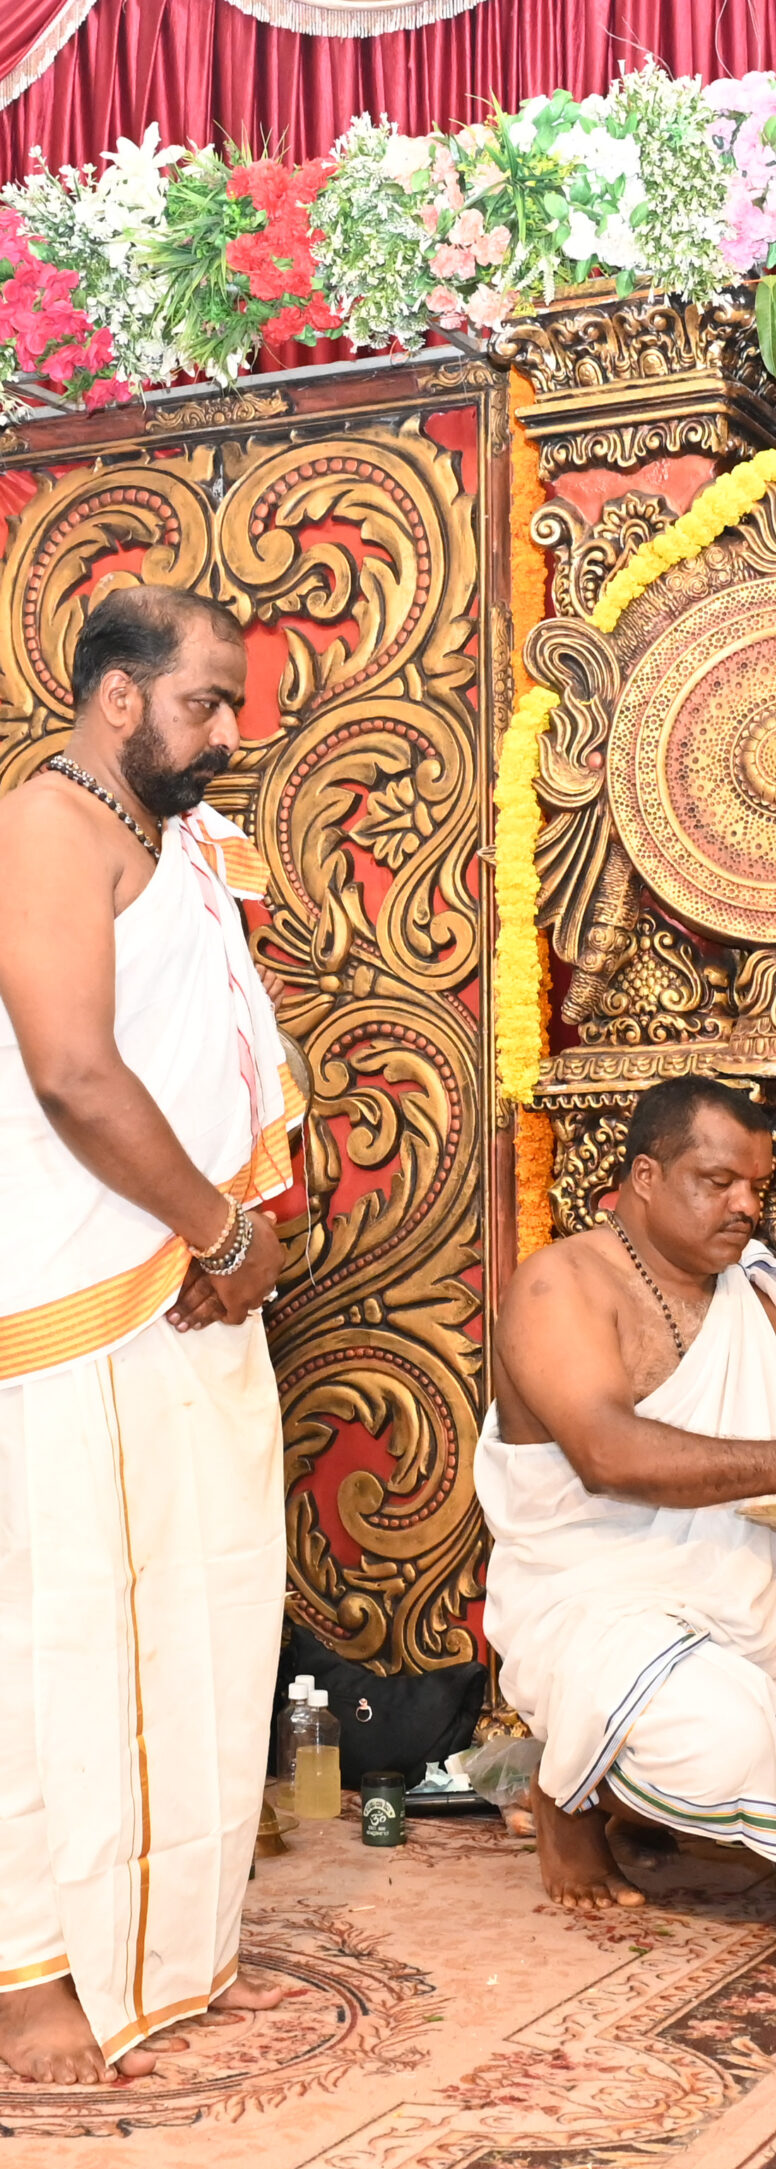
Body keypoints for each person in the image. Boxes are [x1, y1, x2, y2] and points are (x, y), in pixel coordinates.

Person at [0, 585, 304, 2085]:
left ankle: (157, 1934)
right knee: (55, 1636)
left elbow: (223, 1057)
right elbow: (71, 1071)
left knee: (194, 1612)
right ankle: (29, 1966)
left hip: (184, 1277)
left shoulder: (174, 837)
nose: (228, 730)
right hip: (78, 1299)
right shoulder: (47, 830)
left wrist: (238, 1232)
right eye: (204, 702)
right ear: (117, 697)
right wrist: (221, 1232)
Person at [480, 1075, 776, 1937]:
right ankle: (570, 1791)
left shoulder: (756, 1297)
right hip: (599, 1598)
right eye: (718, 1182)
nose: (746, 1205)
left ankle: (625, 1784)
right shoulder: (561, 1286)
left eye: (757, 1185)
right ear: (646, 1175)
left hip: (754, 1582)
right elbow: (607, 1455)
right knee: (724, 1736)